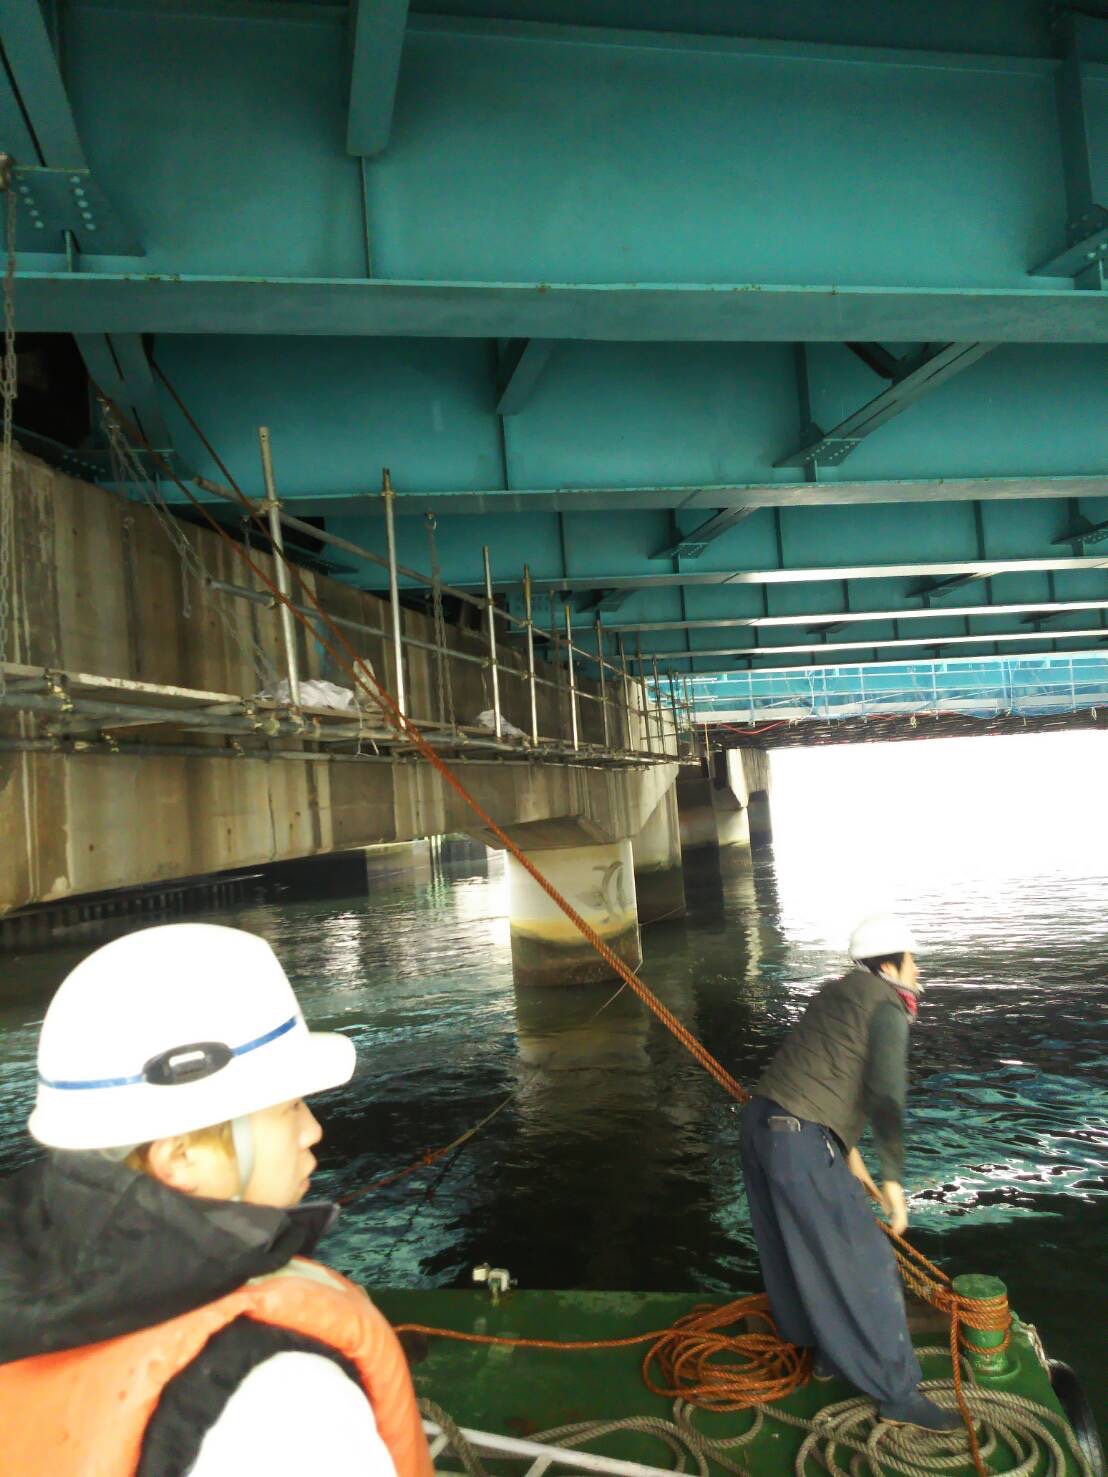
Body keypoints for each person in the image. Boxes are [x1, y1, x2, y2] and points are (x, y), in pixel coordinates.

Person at [0, 923, 434, 1477]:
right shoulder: (285, 1403)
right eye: (289, 1108)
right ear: (181, 1157)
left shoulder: (27, 1287)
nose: (313, 1131)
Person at [740, 913, 961, 1433]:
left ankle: (825, 1353)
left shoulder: (836, 993)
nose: (917, 970)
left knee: (794, 1249)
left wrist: (851, 1159)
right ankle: (897, 1393)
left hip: (760, 1127)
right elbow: (885, 1097)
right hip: (798, 1139)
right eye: (912, 960)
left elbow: (827, 1075)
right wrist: (893, 1182)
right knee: (866, 1262)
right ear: (890, 965)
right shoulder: (887, 1008)